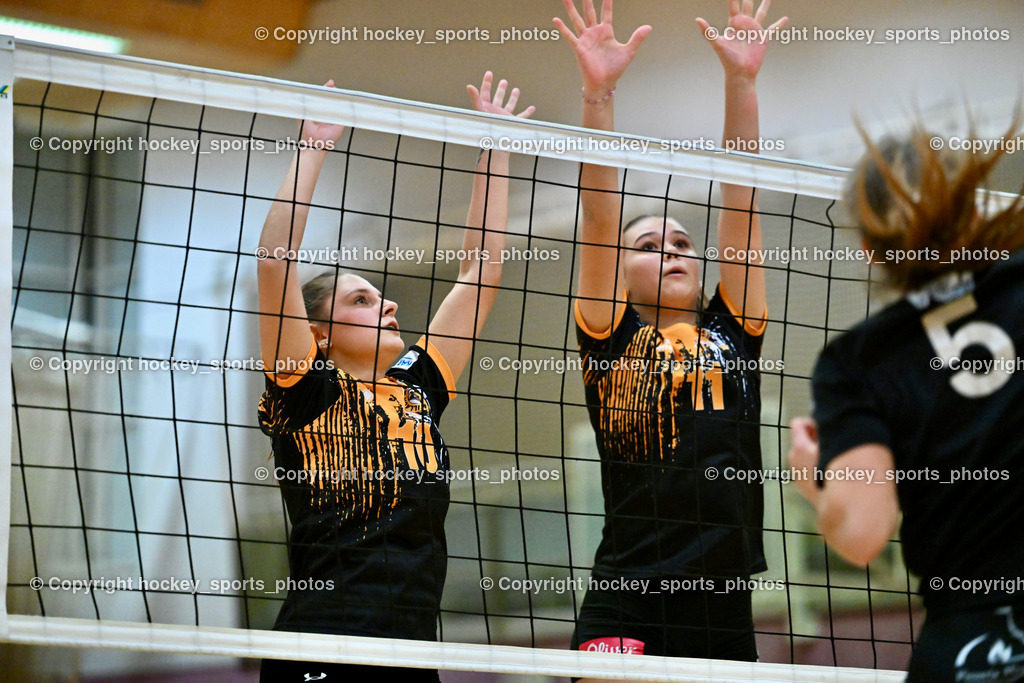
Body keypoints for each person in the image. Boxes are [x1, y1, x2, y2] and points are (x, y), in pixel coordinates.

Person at [255, 73, 533, 682]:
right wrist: (313, 147)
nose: (388, 305)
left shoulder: (417, 388)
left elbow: (480, 272)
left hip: (411, 648)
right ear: (317, 333)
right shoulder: (308, 390)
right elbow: (275, 265)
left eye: (381, 296)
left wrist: (495, 149)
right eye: (360, 300)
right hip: (326, 645)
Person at [553, 0, 785, 663]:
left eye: (682, 242)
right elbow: (600, 217)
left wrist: (741, 82)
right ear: (621, 274)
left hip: (723, 599)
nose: (673, 251)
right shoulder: (610, 335)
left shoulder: (734, 330)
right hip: (628, 590)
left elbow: (742, 196)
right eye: (650, 246)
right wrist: (598, 95)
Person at [789, 123, 1024, 682]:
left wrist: (814, 483)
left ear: (869, 250)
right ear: (973, 204)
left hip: (971, 640)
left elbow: (863, 535)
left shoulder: (857, 361)